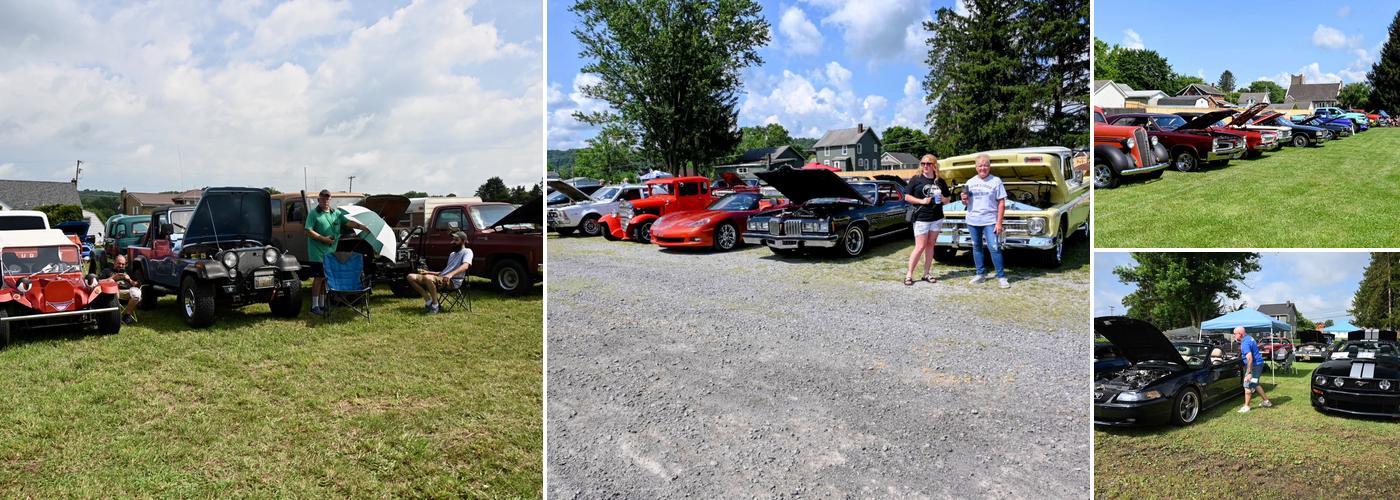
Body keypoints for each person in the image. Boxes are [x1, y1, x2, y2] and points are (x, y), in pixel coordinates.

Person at [305, 189, 368, 316]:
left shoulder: (336, 213)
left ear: (330, 199)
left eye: (327, 198)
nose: (325, 200)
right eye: (323, 198)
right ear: (318, 200)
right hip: (317, 252)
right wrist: (323, 239)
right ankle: (314, 306)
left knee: (326, 278)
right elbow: (308, 231)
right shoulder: (313, 213)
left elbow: (348, 223)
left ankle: (322, 305)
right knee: (318, 278)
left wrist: (362, 227)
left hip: (330, 252)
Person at [960, 153, 1009, 288]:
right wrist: (963, 199)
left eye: (985, 165)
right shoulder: (970, 182)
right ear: (976, 167)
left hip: (990, 221)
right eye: (980, 165)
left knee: (994, 247)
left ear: (989, 166)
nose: (983, 168)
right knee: (977, 247)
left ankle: (1001, 277)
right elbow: (966, 203)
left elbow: (1001, 203)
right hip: (973, 220)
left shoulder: (996, 181)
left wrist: (999, 222)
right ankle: (980, 274)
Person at [903, 154, 951, 285]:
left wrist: (943, 198)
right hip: (922, 217)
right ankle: (909, 275)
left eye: (928, 164)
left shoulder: (939, 181)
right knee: (920, 246)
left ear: (934, 165)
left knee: (930, 245)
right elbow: (907, 197)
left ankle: (926, 273)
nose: (925, 166)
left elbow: (948, 199)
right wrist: (922, 201)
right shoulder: (916, 179)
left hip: (936, 217)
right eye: (923, 163)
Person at [405, 231, 473, 314]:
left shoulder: (467, 251)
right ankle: (429, 301)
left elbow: (465, 266)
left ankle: (435, 306)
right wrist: (428, 272)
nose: (453, 242)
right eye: (453, 240)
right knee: (410, 277)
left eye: (456, 240)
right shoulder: (452, 254)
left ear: (463, 241)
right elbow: (445, 272)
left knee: (428, 278)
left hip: (452, 281)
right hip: (443, 278)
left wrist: (450, 275)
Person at [1235, 326, 1273, 412]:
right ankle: (1266, 402)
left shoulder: (1245, 342)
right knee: (1255, 384)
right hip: (1258, 364)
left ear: (1240, 334)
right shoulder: (1249, 338)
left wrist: (1249, 373)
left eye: (1235, 334)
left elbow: (1250, 358)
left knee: (1247, 385)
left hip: (1254, 366)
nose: (1234, 336)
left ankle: (1246, 407)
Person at [99, 254, 141, 325]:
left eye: (123, 264)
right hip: (112, 294)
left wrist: (129, 279)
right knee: (111, 282)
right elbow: (99, 281)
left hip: (126, 292)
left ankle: (126, 315)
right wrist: (112, 278)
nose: (121, 266)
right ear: (114, 263)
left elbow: (136, 284)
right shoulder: (107, 270)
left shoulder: (128, 271)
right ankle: (116, 315)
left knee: (136, 293)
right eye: (119, 263)